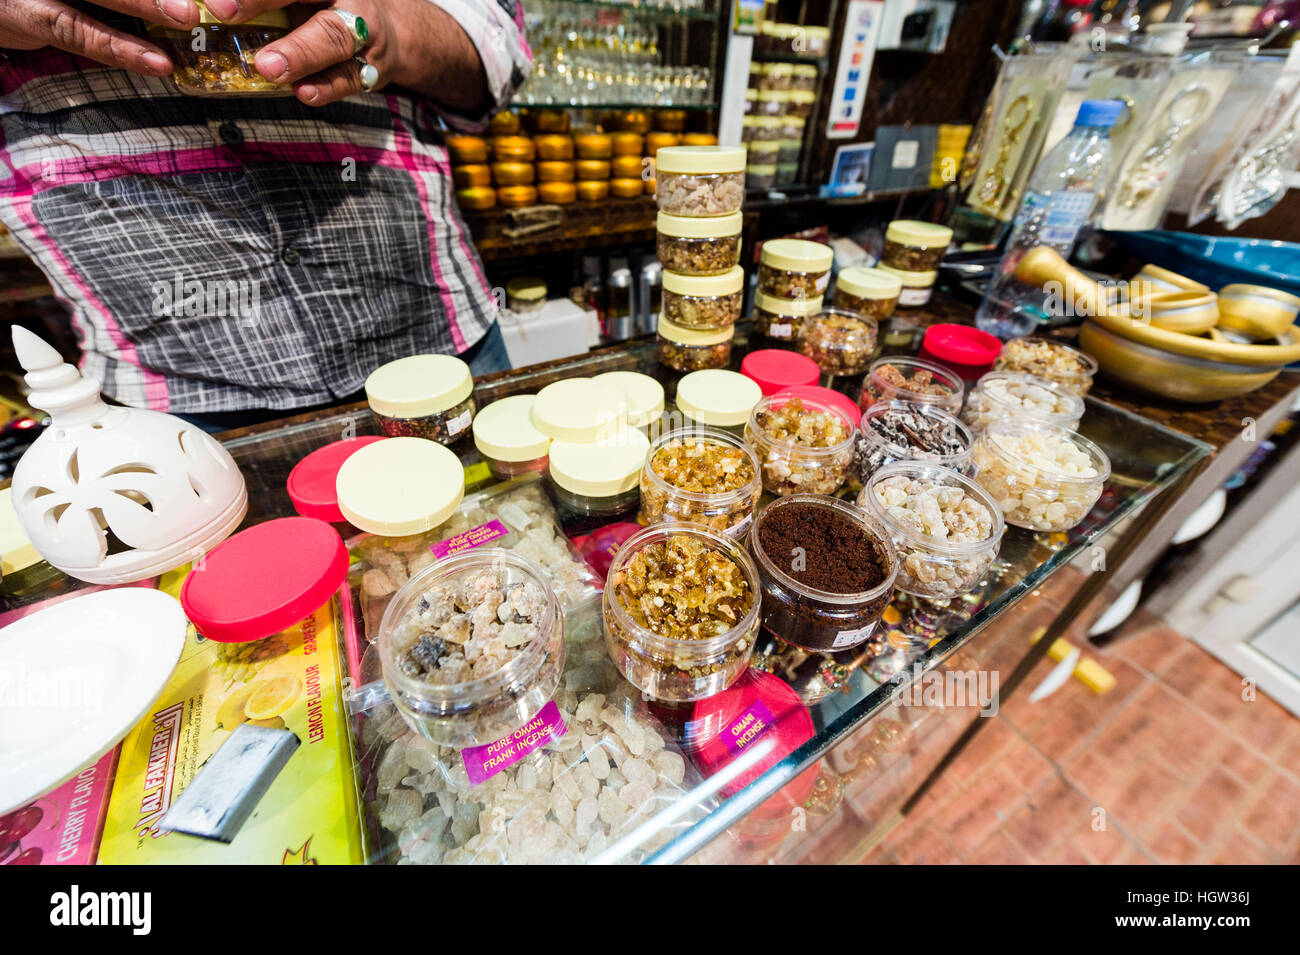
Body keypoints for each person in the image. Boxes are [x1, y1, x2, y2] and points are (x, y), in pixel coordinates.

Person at [0, 0, 530, 430]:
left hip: (439, 340)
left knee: (510, 537)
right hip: (170, 391)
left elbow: (497, 48)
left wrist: (388, 27)